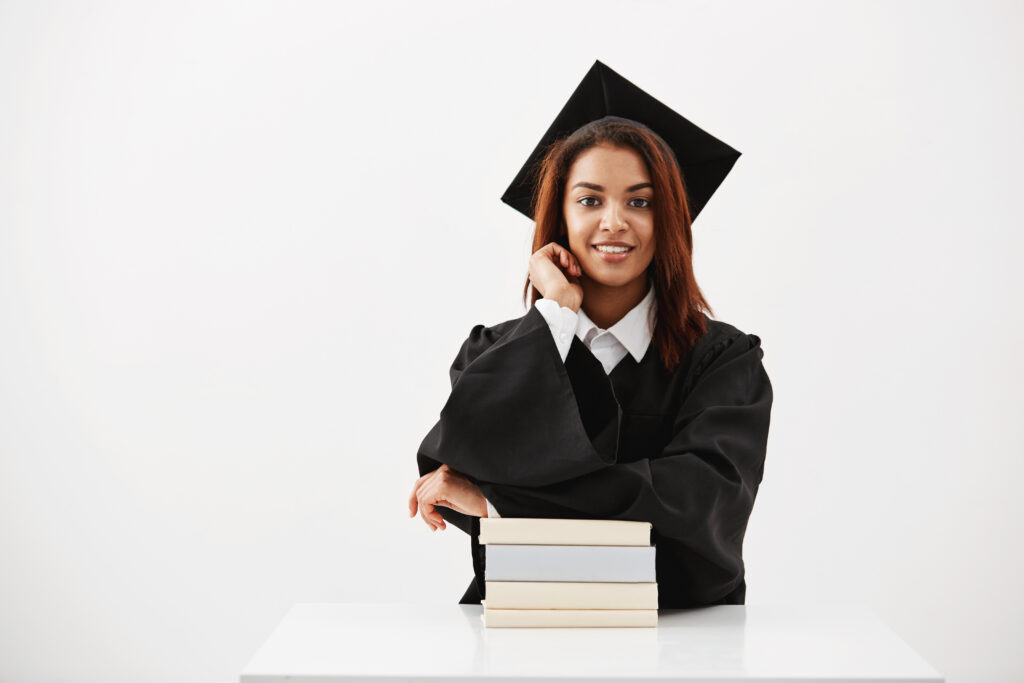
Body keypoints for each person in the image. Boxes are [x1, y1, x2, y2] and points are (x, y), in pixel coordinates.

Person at [407, 61, 773, 609]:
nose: (614, 221)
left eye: (640, 201)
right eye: (590, 199)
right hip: (519, 622)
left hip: (683, 630)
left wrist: (499, 499)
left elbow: (697, 505)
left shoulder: (723, 362)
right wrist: (556, 311)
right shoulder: (497, 351)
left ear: (669, 218)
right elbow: (458, 459)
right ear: (559, 214)